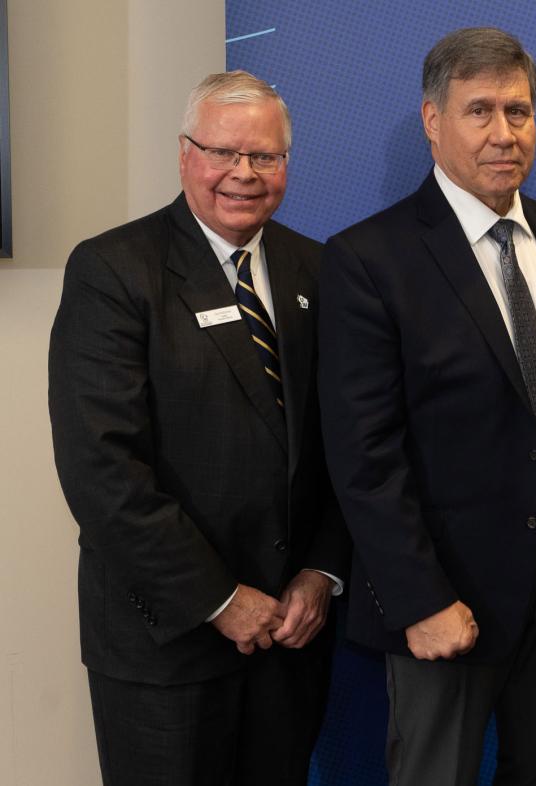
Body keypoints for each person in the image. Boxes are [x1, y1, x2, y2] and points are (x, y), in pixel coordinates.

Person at [317, 27, 536, 786]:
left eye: (518, 112)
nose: (503, 134)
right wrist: (421, 600)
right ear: (431, 121)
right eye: (478, 111)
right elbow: (364, 455)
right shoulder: (367, 259)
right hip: (447, 586)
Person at [48, 70, 348, 786]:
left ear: (286, 164)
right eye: (223, 153)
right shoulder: (113, 270)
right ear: (185, 154)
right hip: (167, 645)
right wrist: (218, 599)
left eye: (265, 157)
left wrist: (322, 571)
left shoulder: (319, 268)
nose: (244, 174)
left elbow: (349, 442)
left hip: (290, 635)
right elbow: (102, 469)